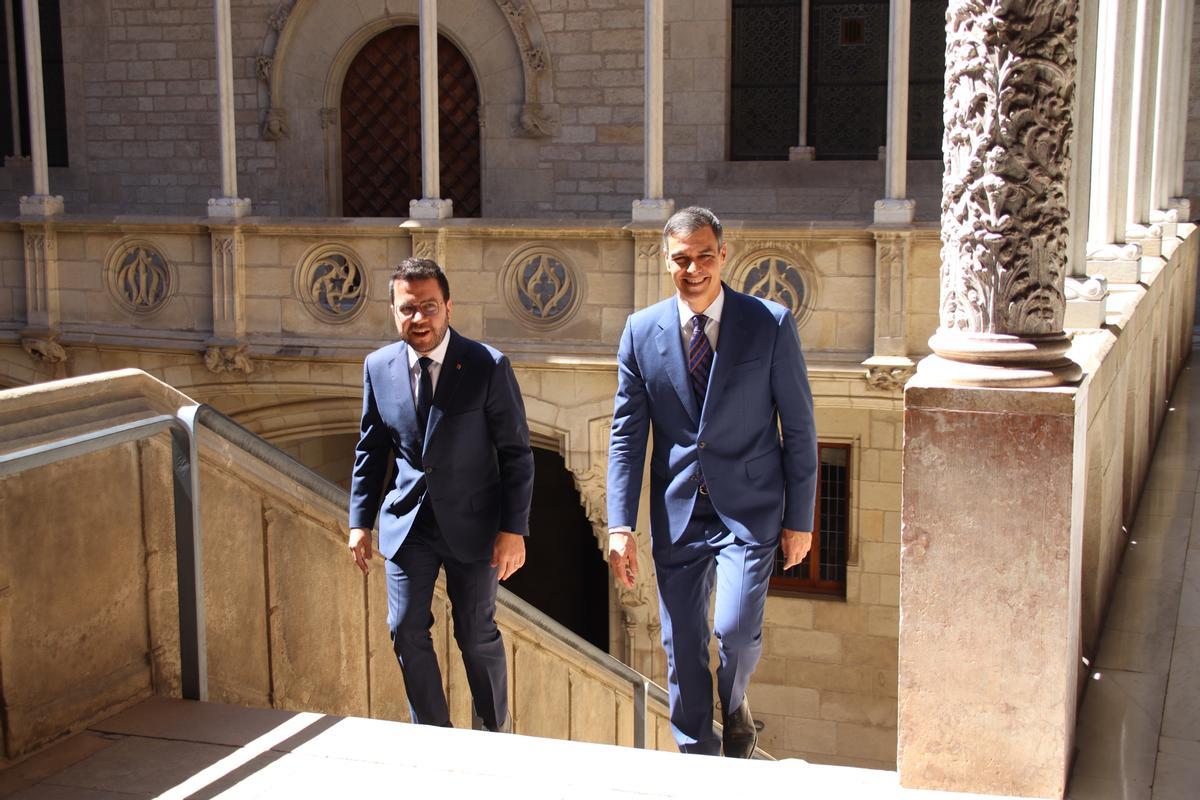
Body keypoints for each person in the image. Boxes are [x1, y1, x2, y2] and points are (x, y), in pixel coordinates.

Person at [606, 206, 817, 757]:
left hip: (748, 508)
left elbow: (798, 429)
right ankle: (697, 757)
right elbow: (627, 436)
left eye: (704, 256)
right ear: (666, 263)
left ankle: (737, 702)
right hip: (678, 512)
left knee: (734, 629)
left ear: (723, 255)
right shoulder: (639, 331)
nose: (694, 268)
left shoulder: (769, 323)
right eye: (682, 259)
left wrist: (800, 521)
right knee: (682, 647)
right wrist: (620, 525)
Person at [347, 257, 534, 732]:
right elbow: (371, 449)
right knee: (405, 627)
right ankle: (433, 735)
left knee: (475, 633)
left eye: (429, 307)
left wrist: (514, 529)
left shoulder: (486, 365)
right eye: (408, 309)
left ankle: (494, 732)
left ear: (448, 307)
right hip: (409, 523)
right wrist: (359, 522)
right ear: (394, 311)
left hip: (475, 524)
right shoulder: (378, 366)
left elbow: (516, 453)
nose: (419, 318)